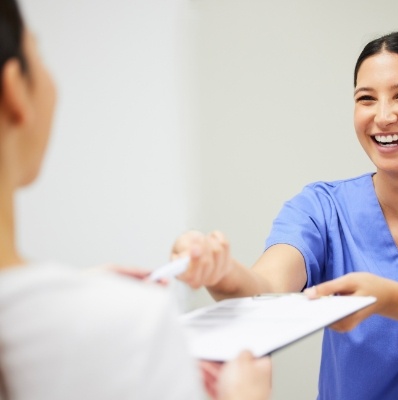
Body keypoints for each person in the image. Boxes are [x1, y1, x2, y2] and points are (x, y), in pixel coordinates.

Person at [172, 31, 398, 399]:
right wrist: (222, 272)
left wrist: (387, 298)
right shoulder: (321, 208)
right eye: (366, 99)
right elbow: (264, 291)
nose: (383, 115)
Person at [0, 0, 271, 399]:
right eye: (37, 52)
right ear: (14, 90)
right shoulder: (130, 326)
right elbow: (278, 290)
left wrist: (75, 290)